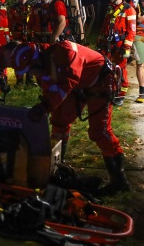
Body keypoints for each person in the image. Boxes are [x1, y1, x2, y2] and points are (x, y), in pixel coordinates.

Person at [7, 41, 130, 195]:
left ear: (37, 60)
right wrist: (45, 106)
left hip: (99, 80)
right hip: (78, 84)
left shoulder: (65, 53)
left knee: (100, 131)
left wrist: (44, 107)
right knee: (59, 122)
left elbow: (67, 82)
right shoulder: (44, 64)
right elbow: (51, 91)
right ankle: (57, 167)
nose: (33, 75)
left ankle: (119, 180)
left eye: (31, 70)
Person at [97, 0, 136, 106]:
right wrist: (99, 41)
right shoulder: (110, 8)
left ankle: (120, 94)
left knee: (120, 70)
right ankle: (108, 91)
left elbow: (132, 31)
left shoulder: (129, 10)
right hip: (108, 44)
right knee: (105, 68)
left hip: (120, 46)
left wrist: (127, 47)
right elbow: (104, 26)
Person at [8, 0, 34, 86]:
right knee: (18, 58)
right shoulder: (13, 9)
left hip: (28, 37)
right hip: (17, 37)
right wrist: (10, 36)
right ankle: (19, 81)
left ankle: (29, 80)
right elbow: (9, 23)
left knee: (30, 57)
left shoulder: (31, 8)